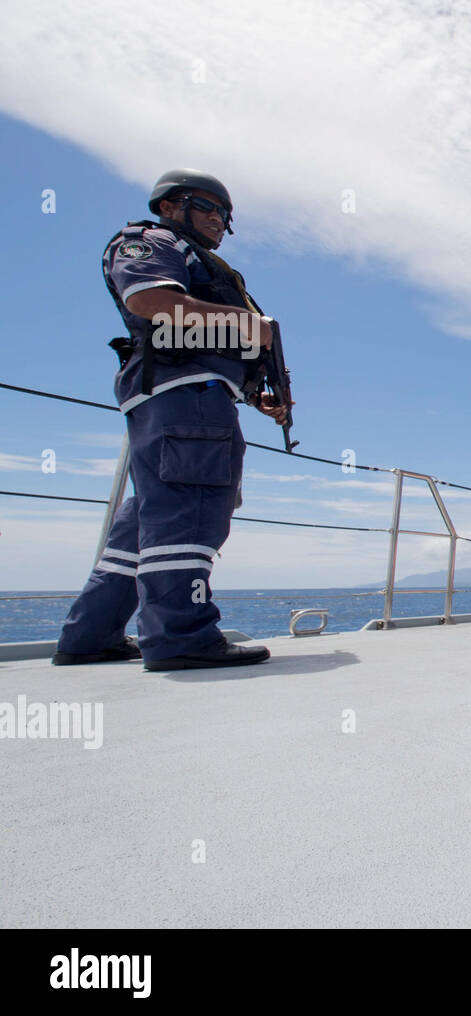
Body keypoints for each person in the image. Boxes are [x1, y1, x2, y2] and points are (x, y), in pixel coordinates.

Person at [52, 169, 291, 671]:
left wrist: (255, 396)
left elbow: (206, 342)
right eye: (207, 208)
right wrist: (250, 326)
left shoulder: (195, 258)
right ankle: (181, 636)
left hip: (183, 395)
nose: (219, 222)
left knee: (149, 516)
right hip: (187, 398)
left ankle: (91, 635)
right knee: (193, 507)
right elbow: (150, 301)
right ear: (168, 206)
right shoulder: (150, 241)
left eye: (225, 216)